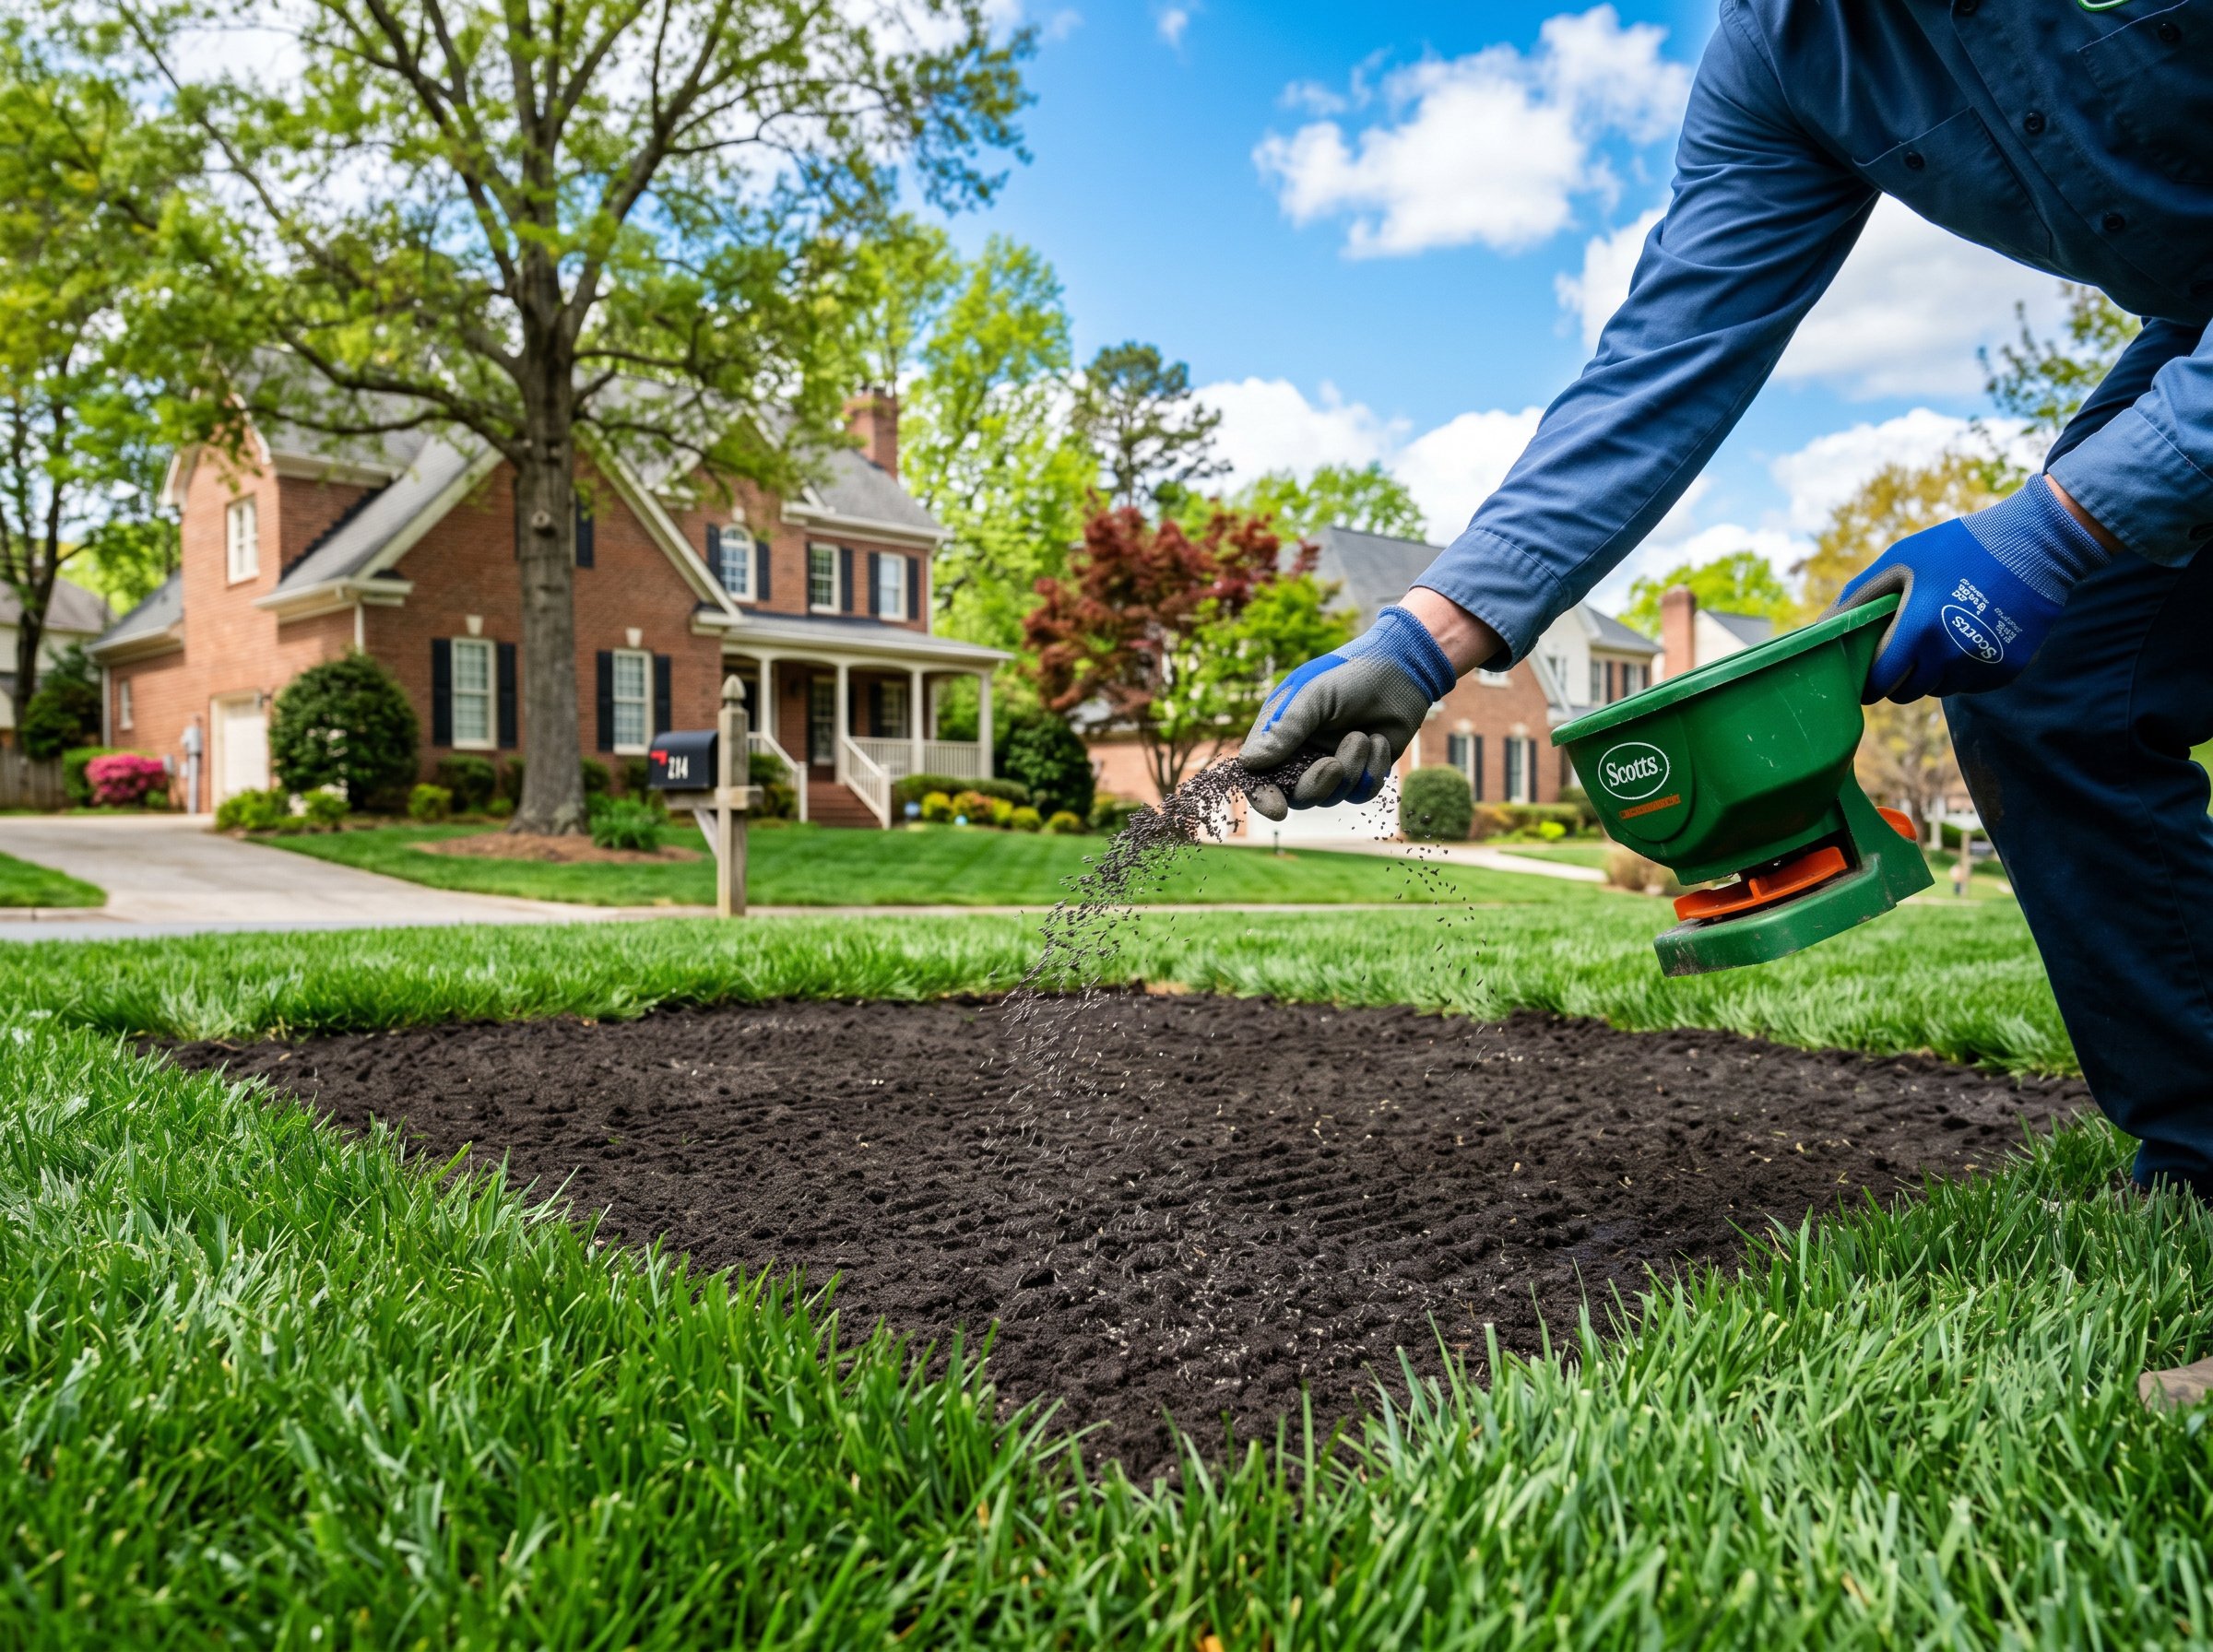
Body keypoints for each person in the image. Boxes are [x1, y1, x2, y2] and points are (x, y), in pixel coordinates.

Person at [1239, 5, 2213, 1398]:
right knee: (2054, 672)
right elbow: (1661, 363)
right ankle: (2204, 1161)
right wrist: (1423, 637)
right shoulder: (1783, 52)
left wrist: (2064, 526)